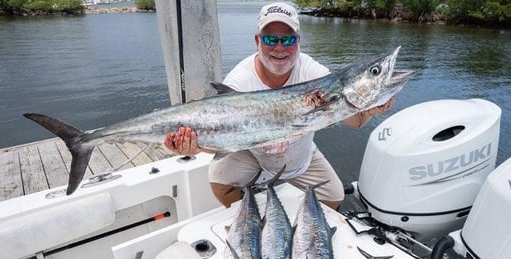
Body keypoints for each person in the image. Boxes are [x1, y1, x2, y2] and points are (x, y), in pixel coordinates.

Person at [164, 2, 393, 210]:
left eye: (288, 39)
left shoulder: (313, 73)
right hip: (253, 153)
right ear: (257, 41)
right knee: (220, 183)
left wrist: (370, 108)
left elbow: (353, 120)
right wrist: (196, 146)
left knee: (334, 198)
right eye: (271, 39)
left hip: (300, 159)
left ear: (298, 42)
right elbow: (220, 135)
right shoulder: (239, 81)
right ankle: (253, 221)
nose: (280, 48)